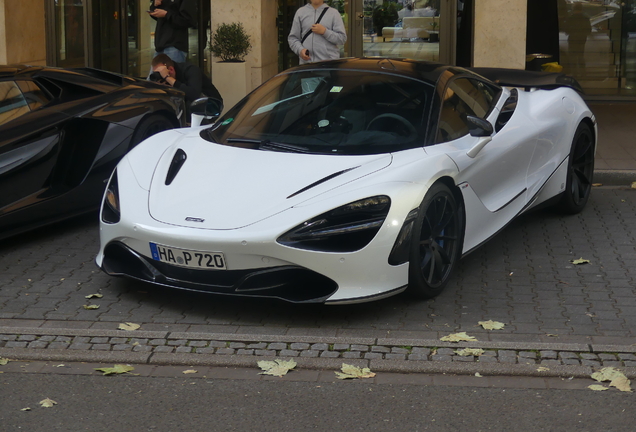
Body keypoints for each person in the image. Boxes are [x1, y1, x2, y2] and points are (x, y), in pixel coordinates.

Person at [288, 0, 347, 64]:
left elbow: (342, 39)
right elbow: (293, 38)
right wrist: (300, 50)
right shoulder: (300, 12)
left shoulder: (334, 13)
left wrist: (325, 32)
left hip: (328, 65)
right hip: (306, 65)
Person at [151, 53, 222, 106]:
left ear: (171, 69)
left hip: (211, 104)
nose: (161, 76)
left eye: (161, 73)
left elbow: (194, 95)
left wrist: (168, 78)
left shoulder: (191, 70)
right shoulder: (165, 79)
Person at [564, 3, 591, 77]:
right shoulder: (585, 18)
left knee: (573, 58)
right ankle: (583, 74)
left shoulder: (570, 18)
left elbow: (566, 30)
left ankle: (575, 74)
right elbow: (589, 30)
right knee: (580, 57)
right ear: (581, 9)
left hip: (572, 40)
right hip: (582, 40)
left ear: (573, 9)